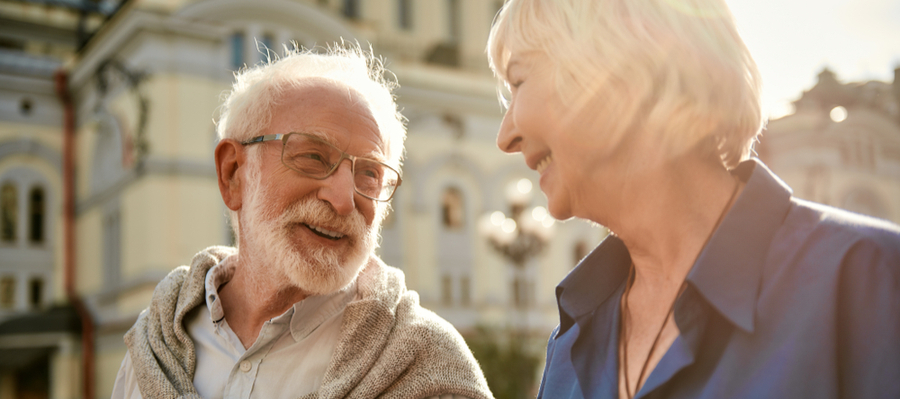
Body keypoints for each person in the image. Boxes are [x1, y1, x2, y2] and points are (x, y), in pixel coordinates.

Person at [487, 0, 900, 398]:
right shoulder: (570, 343)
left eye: (519, 81)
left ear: (621, 72)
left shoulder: (867, 279)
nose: (506, 137)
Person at [111, 45, 492, 399]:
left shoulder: (428, 364)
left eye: (370, 174)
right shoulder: (151, 349)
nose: (344, 200)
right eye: (312, 156)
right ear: (233, 174)